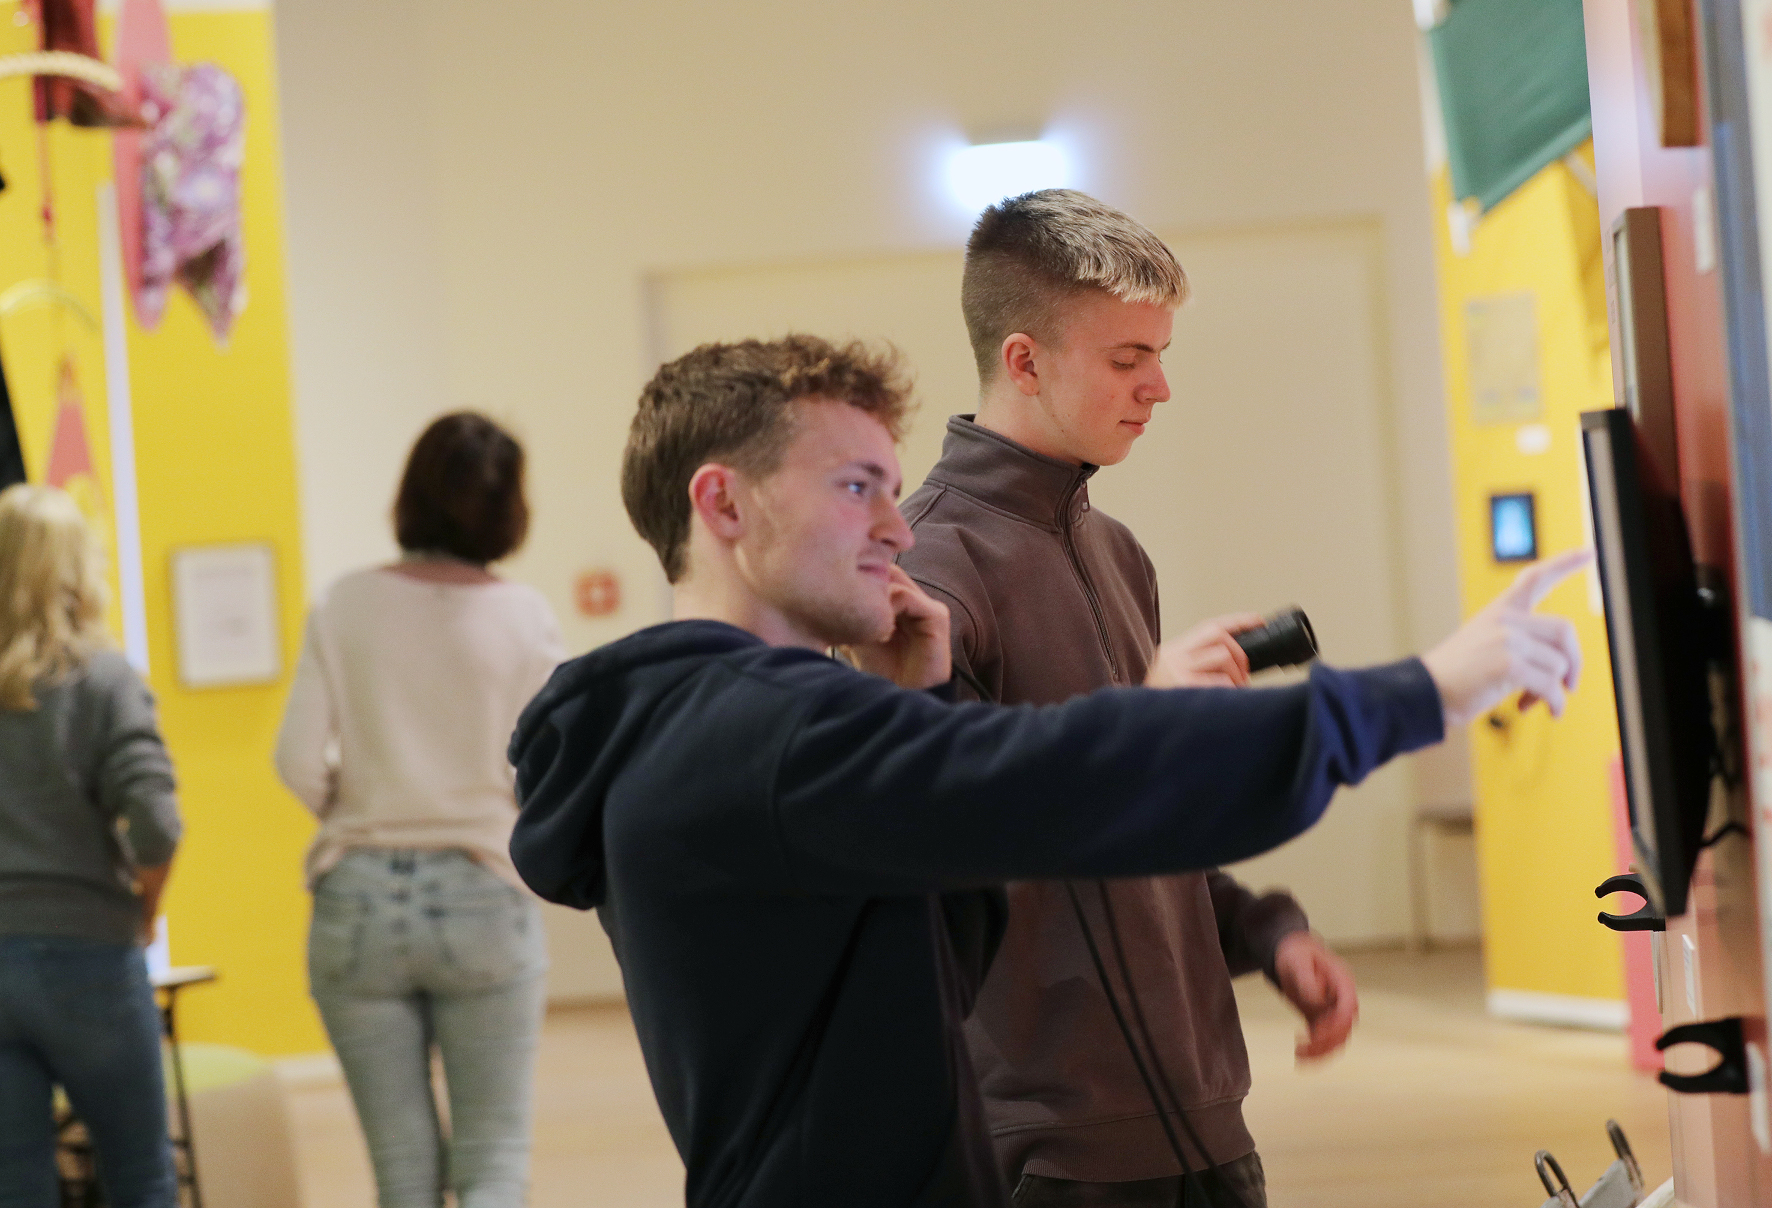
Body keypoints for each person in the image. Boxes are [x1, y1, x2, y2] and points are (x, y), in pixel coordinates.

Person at [507, 334, 1586, 1208]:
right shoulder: (757, 731)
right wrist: (1423, 691)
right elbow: (1062, 780)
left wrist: (924, 704)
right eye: (855, 486)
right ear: (723, 505)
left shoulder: (720, 725)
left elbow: (943, 951)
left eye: (891, 488)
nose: (894, 530)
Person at [898, 189, 1361, 1205]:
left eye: (1161, 353)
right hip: (1052, 1144)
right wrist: (1139, 715)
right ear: (1024, 361)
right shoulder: (925, 572)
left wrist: (1265, 932)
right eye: (1126, 358)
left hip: (1204, 1118)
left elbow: (1144, 822)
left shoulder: (1117, 551)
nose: (1159, 387)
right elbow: (945, 846)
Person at [276, 413, 565, 1208]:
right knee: (493, 1161)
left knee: (402, 1172)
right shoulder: (525, 616)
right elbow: (551, 768)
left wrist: (361, 810)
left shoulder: (344, 602)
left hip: (355, 900)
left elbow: (294, 757)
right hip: (481, 887)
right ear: (510, 506)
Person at [0, 484, 182, 1208]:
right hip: (89, 955)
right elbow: (157, 821)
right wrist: (147, 905)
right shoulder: (103, 679)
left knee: (15, 1183)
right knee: (140, 1174)